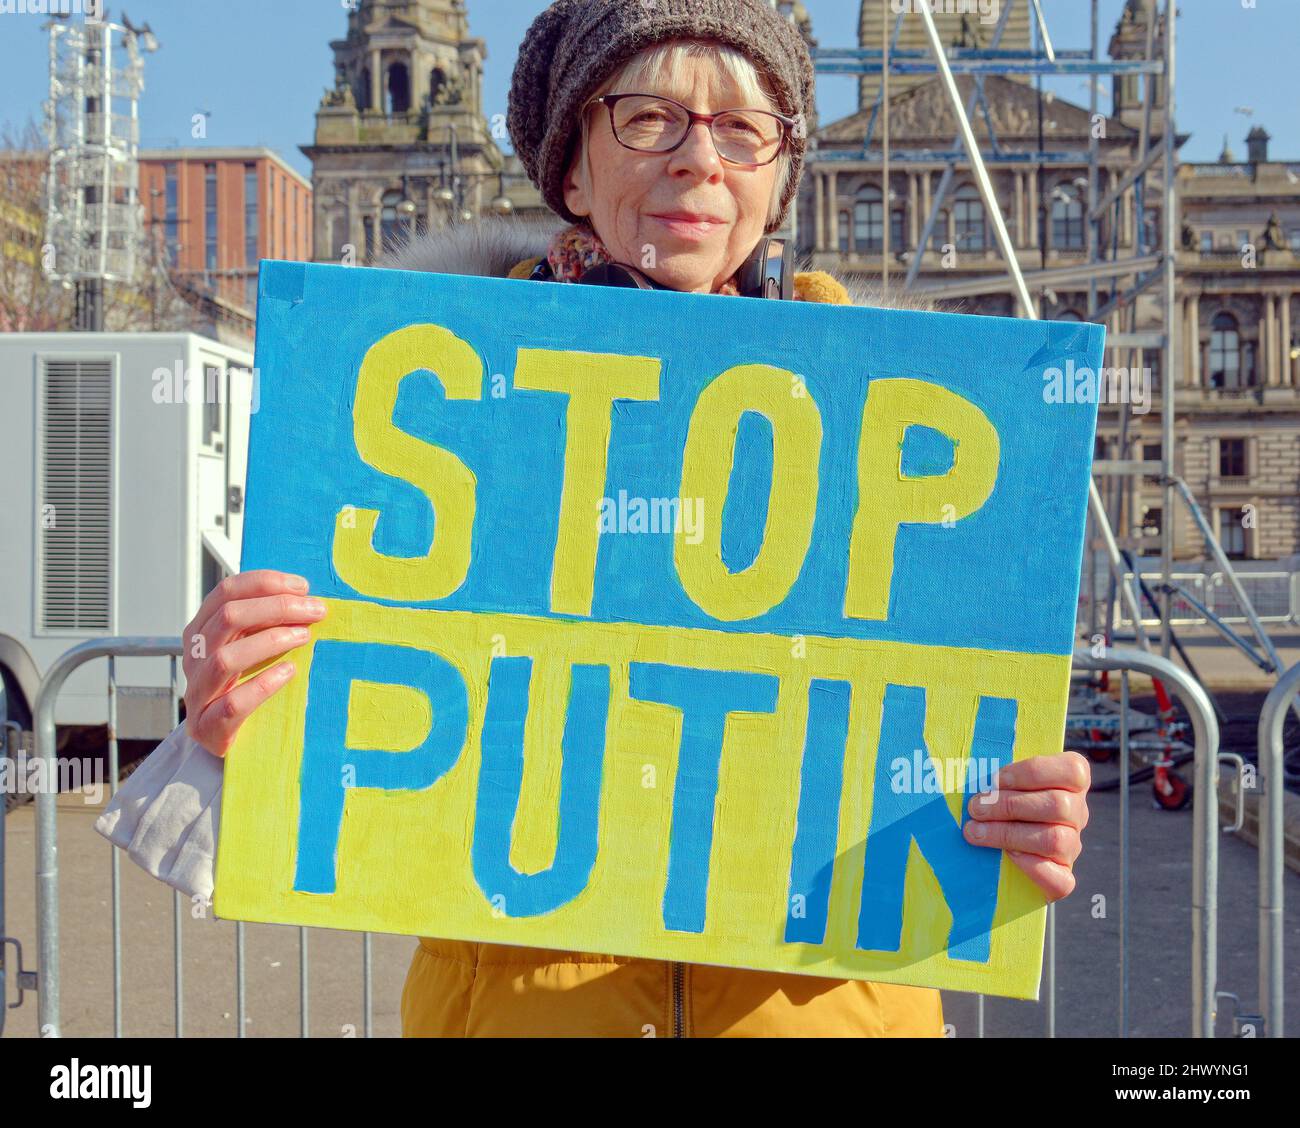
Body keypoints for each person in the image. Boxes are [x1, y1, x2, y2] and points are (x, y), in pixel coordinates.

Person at [153, 0, 1092, 1037]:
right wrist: (230, 720)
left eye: (745, 129)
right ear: (570, 165)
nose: (700, 161)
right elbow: (331, 775)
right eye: (649, 118)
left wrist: (1017, 823)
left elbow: (943, 760)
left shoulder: (920, 445)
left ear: (780, 177)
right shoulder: (419, 418)